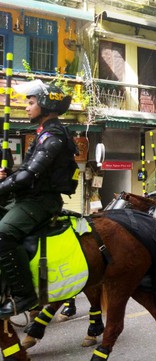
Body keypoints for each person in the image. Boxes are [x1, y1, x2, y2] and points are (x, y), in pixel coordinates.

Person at [0, 80, 79, 316]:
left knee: (2, 234)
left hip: (41, 202)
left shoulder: (52, 135)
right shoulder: (43, 133)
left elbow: (29, 175)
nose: (27, 107)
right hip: (29, 198)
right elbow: (26, 173)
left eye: (31, 102)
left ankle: (24, 296)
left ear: (44, 105)